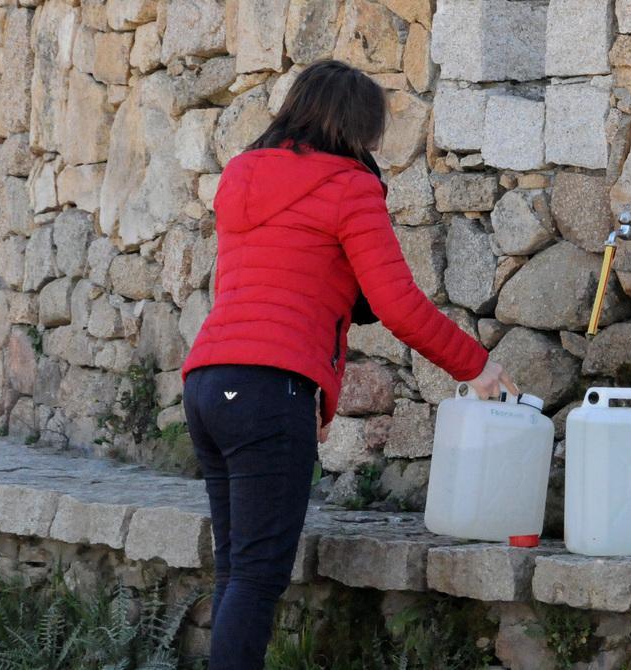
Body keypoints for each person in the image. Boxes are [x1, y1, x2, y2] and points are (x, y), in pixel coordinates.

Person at [180, 59, 518, 670]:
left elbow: (257, 289)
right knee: (256, 579)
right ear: (357, 127)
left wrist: (311, 392)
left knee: (235, 571)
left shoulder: (241, 175)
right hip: (267, 390)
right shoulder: (349, 187)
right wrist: (475, 366)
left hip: (210, 382)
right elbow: (398, 305)